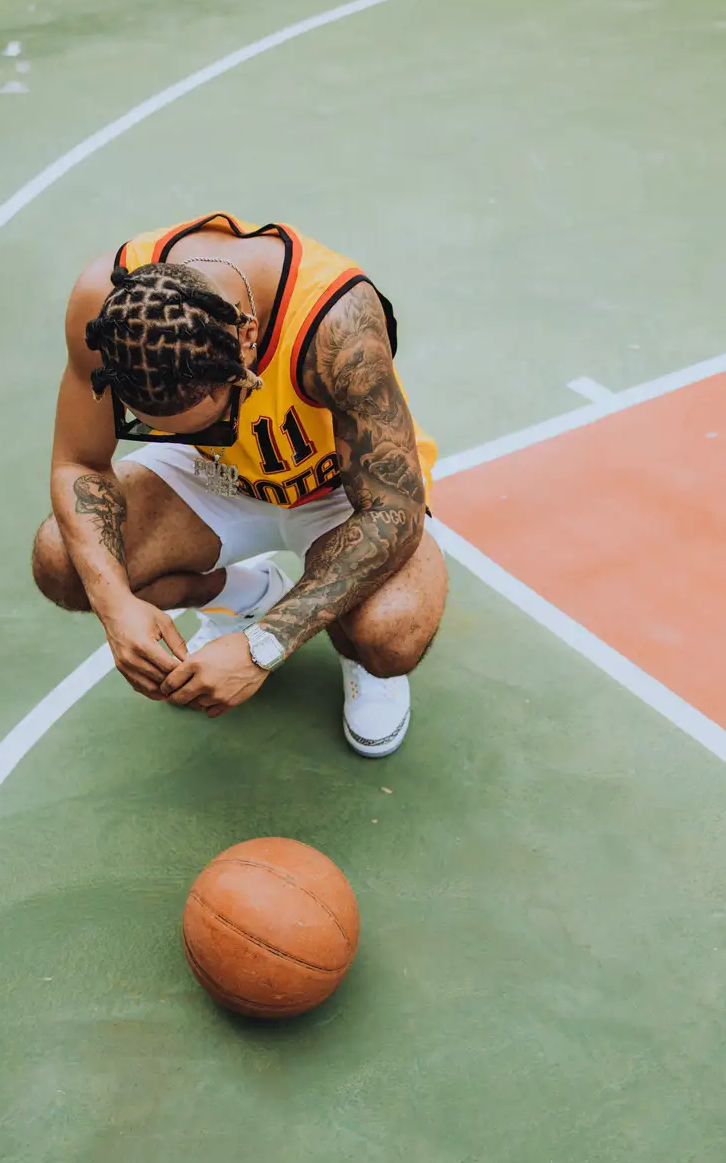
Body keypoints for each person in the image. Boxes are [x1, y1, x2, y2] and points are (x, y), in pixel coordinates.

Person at [32, 212, 447, 758]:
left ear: (246, 339)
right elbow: (80, 464)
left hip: (338, 491)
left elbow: (393, 511)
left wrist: (262, 648)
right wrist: (116, 608)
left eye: (210, 419)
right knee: (66, 563)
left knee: (389, 635)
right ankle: (247, 594)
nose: (193, 431)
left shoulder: (335, 322)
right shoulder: (108, 309)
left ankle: (356, 658)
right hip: (213, 476)